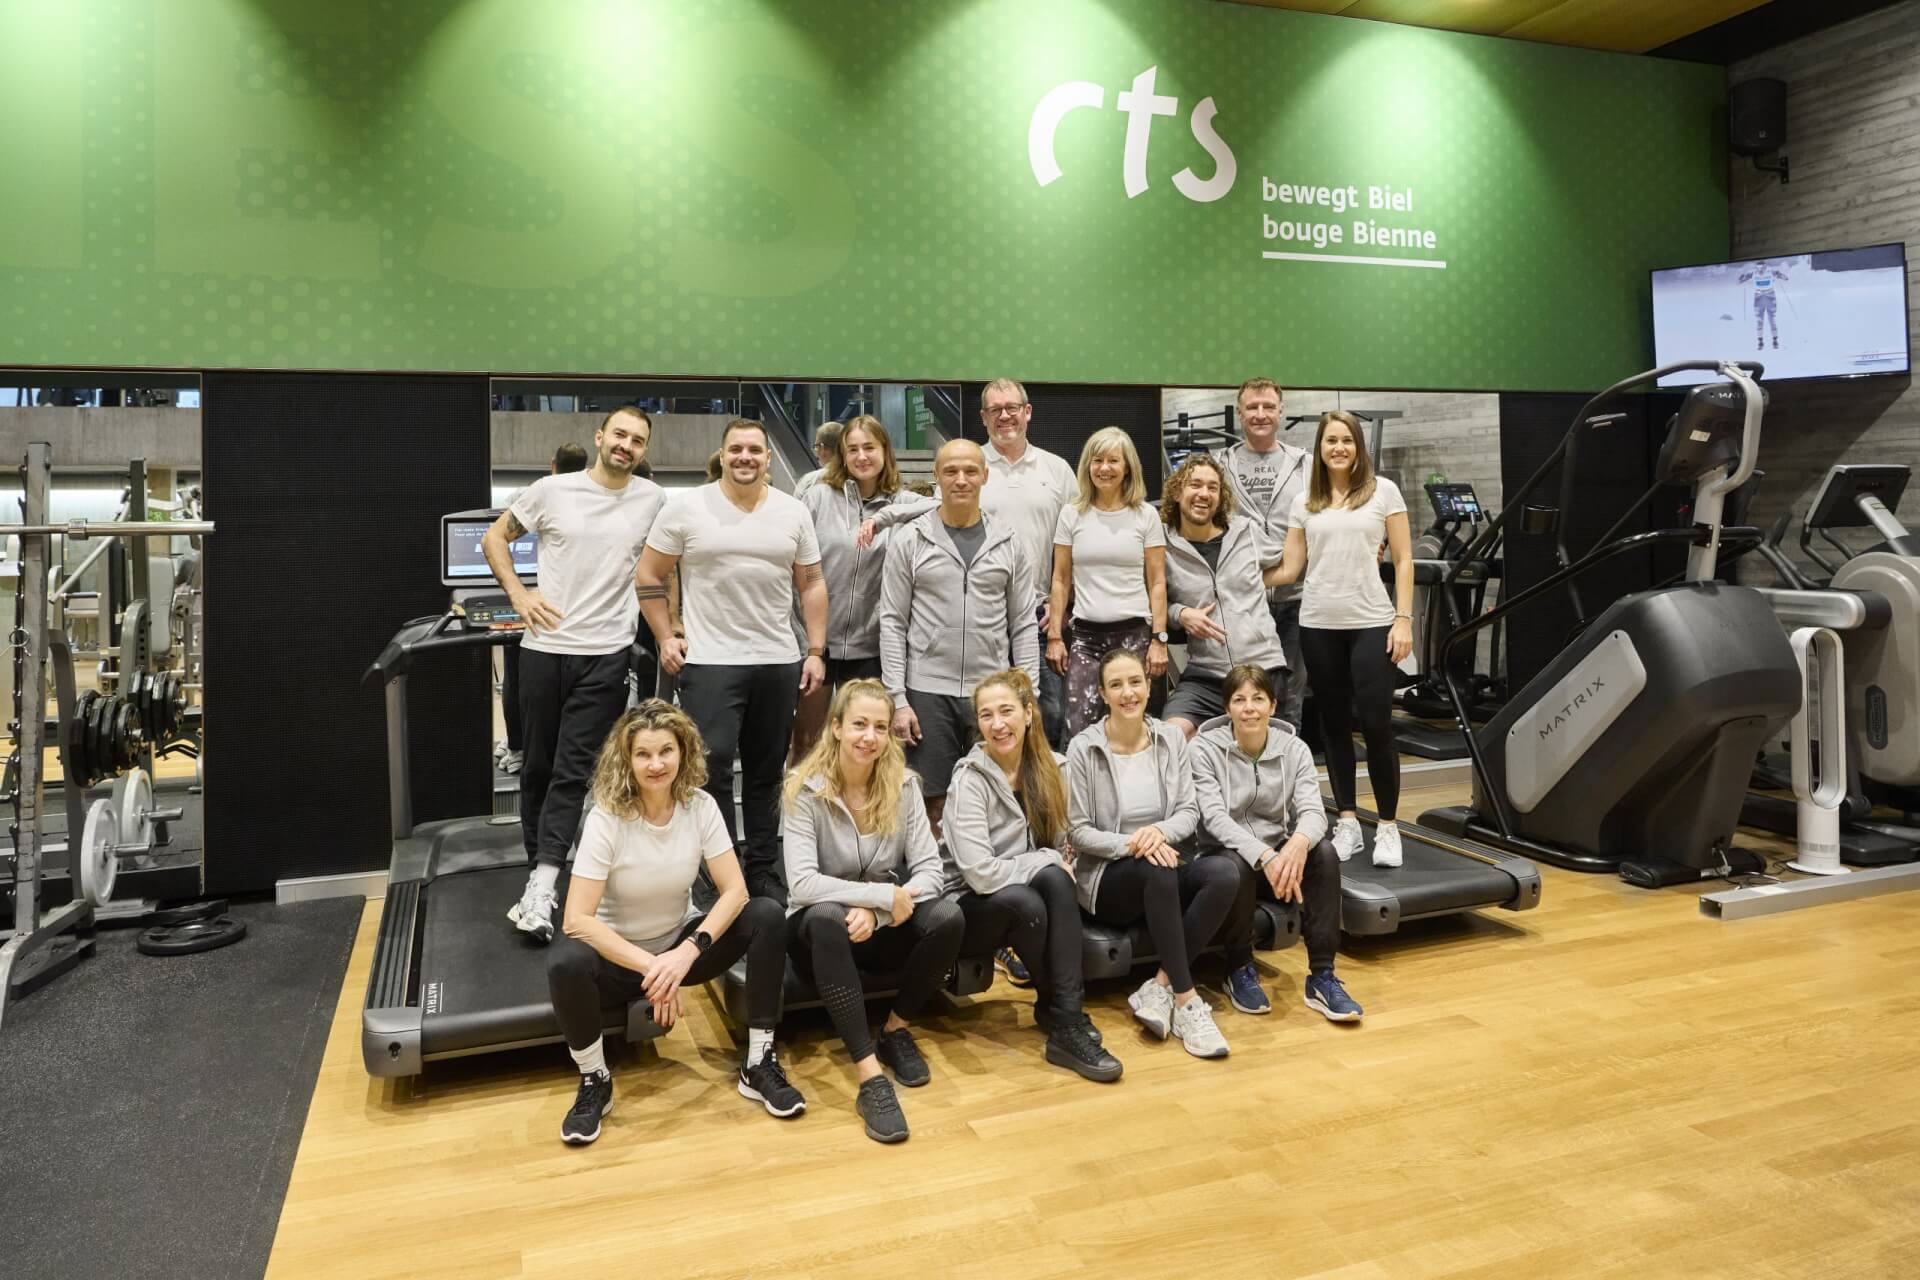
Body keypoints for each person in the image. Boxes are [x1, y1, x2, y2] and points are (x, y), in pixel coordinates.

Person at [545, 701, 804, 1145]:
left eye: (666, 750)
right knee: (565, 961)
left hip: (679, 948)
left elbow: (736, 892)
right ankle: (594, 1079)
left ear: (683, 752)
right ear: (626, 760)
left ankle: (759, 1061)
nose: (656, 764)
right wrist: (654, 969)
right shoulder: (607, 818)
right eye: (643, 754)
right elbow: (576, 919)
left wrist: (685, 953)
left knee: (766, 914)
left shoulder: (699, 806)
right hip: (620, 957)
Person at [484, 407, 662, 943]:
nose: (626, 445)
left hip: (606, 655)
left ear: (644, 450)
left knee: (571, 770)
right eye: (620, 435)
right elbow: (495, 539)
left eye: (637, 440)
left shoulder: (653, 500)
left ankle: (544, 882)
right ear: (600, 436)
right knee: (537, 767)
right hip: (544, 650)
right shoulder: (552, 490)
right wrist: (519, 595)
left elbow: (668, 563)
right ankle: (539, 870)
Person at [637, 419, 827, 903]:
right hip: (710, 661)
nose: (745, 457)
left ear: (768, 458)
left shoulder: (792, 511)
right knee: (711, 766)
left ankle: (762, 869)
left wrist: (815, 651)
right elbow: (648, 575)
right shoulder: (686, 508)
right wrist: (665, 637)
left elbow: (811, 583)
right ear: (722, 455)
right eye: (736, 449)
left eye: (755, 450)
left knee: (766, 772)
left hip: (777, 660)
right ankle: (722, 871)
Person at [783, 680, 964, 1144]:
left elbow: (931, 871)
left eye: (880, 727)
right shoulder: (804, 789)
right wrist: (877, 896)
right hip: (819, 932)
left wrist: (880, 912)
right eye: (859, 724)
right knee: (826, 915)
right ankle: (869, 1077)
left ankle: (895, 1030)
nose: (869, 737)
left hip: (879, 927)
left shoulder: (904, 785)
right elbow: (802, 883)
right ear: (836, 727)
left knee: (948, 917)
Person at [944, 669, 1122, 1082]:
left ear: (1028, 714)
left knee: (1055, 882)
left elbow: (1064, 849)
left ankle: (1065, 1017)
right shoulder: (969, 779)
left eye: (1006, 711)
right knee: (1030, 896)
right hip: (967, 907)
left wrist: (1049, 861)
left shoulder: (1054, 768)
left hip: (1028, 896)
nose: (997, 724)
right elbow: (980, 874)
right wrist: (1043, 859)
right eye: (986, 715)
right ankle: (1062, 1015)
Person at [1066, 648, 1238, 1058]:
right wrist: (1133, 844)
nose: (1128, 693)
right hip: (1108, 880)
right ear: (1103, 694)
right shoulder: (1083, 747)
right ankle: (1187, 1000)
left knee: (1225, 873)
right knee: (1155, 867)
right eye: (1116, 685)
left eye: (1135, 682)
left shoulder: (1171, 738)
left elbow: (1189, 811)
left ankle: (1159, 985)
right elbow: (1077, 830)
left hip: (1163, 865)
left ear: (1148, 685)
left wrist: (1157, 833)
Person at [1267, 410, 1415, 868]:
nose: (1339, 448)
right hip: (1318, 624)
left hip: (1371, 622)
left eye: (1346, 440)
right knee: (1332, 727)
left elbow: (1404, 559)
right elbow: (1290, 568)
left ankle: (1387, 827)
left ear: (1358, 447)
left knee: (1376, 725)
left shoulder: (1383, 491)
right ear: (1320, 448)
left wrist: (1403, 619)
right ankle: (1347, 821)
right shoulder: (1304, 501)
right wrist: (1234, 575)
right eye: (1331, 440)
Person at [878, 439, 1039, 841]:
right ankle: (938, 878)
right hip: (928, 691)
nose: (961, 479)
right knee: (933, 802)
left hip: (992, 691)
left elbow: (1023, 623)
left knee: (1000, 796)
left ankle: (992, 876)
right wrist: (898, 698)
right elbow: (892, 622)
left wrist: (1028, 695)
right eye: (950, 471)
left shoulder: (1009, 540)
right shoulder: (910, 540)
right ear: (936, 476)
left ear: (985, 476)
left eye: (970, 471)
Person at [1189, 664, 1363, 1022]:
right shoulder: (1204, 749)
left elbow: (1313, 812)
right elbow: (1214, 818)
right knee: (1235, 862)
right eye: (1239, 700)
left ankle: (1322, 976)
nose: (1249, 708)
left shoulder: (1294, 749)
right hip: (1225, 864)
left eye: (1257, 699)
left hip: (1277, 865)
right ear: (1227, 708)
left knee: (1324, 852)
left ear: (1272, 705)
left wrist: (1297, 843)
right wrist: (1264, 854)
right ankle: (1239, 968)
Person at [789, 416, 937, 763]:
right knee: (807, 744)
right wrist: (805, 637)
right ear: (842, 455)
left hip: (871, 644)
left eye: (869, 447)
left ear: (885, 450)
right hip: (816, 644)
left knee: (867, 748)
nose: (861, 456)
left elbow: (947, 504)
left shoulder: (903, 502)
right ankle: (800, 801)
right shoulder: (818, 497)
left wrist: (886, 517)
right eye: (852, 449)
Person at [1159, 453, 1291, 740]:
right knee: (1169, 738)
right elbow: (1152, 600)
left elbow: (1289, 564)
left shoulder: (1245, 532)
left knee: (1253, 749)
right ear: (1177, 492)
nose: (1204, 494)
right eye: (1195, 485)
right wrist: (1180, 613)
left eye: (1213, 487)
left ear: (1220, 497)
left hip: (1261, 667)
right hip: (1205, 675)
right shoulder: (1164, 544)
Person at [1048, 427, 1169, 740]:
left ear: (1127, 467)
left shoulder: (1145, 515)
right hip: (1086, 638)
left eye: (1113, 460)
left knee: (1135, 727)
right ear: (1087, 466)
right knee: (1078, 730)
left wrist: (1160, 639)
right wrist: (1055, 637)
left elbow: (1157, 582)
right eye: (1097, 460)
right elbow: (1060, 579)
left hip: (1136, 637)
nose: (1104, 468)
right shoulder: (1071, 514)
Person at [1216, 379, 1311, 728]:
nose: (1260, 414)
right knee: (1245, 694)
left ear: (1280, 411)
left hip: (1296, 597)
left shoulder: (1305, 465)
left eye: (1268, 407)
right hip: (1244, 601)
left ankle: (1287, 762)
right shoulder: (1220, 465)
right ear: (1240, 413)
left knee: (1289, 697)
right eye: (1252, 407)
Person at [498, 441, 592, 776]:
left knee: (516, 676)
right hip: (577, 612)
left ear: (553, 463)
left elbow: (497, 537)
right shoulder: (587, 501)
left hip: (535, 602)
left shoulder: (527, 495)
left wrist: (517, 593)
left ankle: (517, 747)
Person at [1736, 260, 1790, 350]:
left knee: (1771, 319)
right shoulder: (1754, 273)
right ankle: (1761, 341)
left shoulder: (1770, 271)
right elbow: (1739, 281)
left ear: (1765, 266)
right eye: (1759, 267)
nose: (1760, 269)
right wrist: (1742, 277)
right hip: (1759, 297)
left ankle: (1774, 340)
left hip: (1769, 297)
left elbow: (1783, 277)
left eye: (1762, 267)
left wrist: (1783, 276)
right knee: (1760, 320)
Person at [792, 420, 843, 498]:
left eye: (816, 446)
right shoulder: (855, 479)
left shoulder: (809, 481)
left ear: (822, 447)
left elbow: (796, 504)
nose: (816, 451)